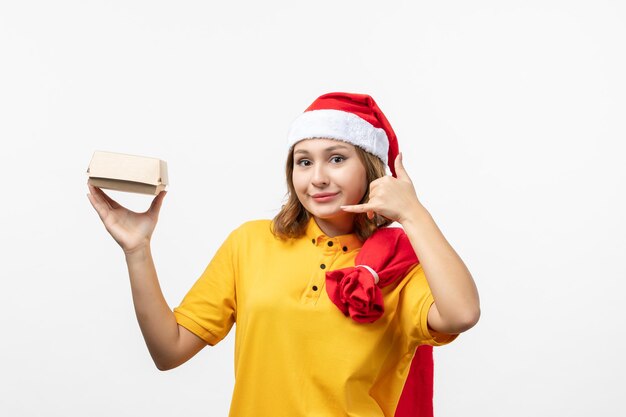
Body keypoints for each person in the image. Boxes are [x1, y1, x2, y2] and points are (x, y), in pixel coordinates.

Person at [87, 92, 480, 417]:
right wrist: (137, 250)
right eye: (304, 161)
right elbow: (167, 350)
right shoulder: (251, 243)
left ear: (371, 169)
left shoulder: (397, 267)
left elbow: (461, 314)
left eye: (337, 158)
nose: (318, 177)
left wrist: (414, 213)